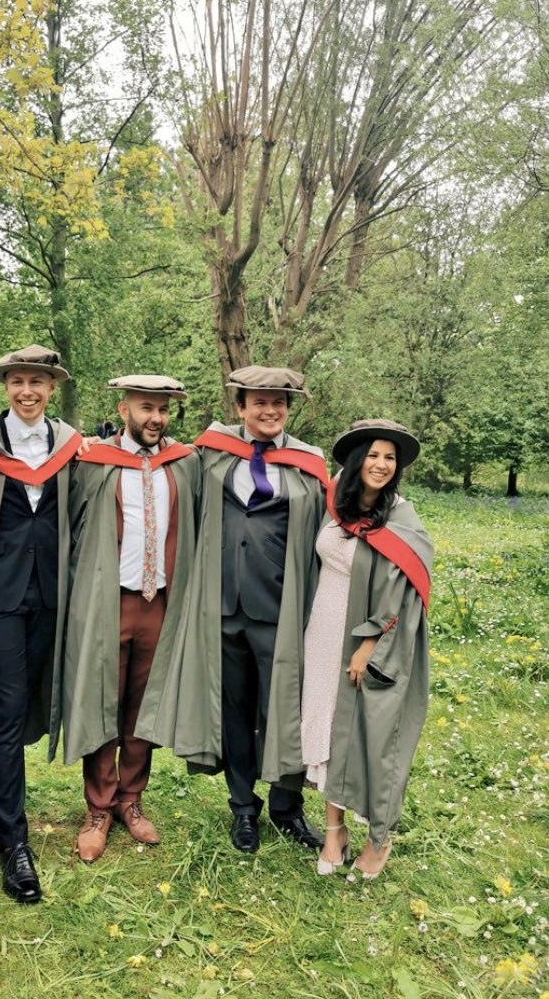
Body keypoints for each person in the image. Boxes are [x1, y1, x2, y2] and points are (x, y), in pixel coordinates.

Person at [156, 366, 328, 854]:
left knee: (284, 710)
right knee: (232, 709)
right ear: (240, 407)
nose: (269, 410)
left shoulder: (308, 465)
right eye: (259, 402)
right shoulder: (212, 454)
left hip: (281, 609)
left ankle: (287, 807)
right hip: (222, 607)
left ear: (287, 409)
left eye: (278, 403)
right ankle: (243, 808)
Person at [62, 375, 200, 863]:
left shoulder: (183, 465)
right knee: (104, 702)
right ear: (124, 410)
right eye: (146, 408)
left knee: (145, 707)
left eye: (162, 410)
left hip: (159, 603)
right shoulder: (94, 464)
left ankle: (131, 800)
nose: (155, 418)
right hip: (107, 601)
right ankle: (98, 808)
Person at [0, 344, 83, 904]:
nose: (27, 391)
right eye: (18, 381)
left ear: (51, 387)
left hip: (50, 594)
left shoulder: (71, 445)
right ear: (7, 386)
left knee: (18, 703)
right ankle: (15, 842)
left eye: (37, 381)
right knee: (7, 706)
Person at [301, 419, 433, 880]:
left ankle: (380, 839)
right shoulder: (334, 503)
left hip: (367, 639)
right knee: (327, 730)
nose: (381, 465)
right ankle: (333, 830)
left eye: (389, 458)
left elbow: (404, 589)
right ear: (357, 461)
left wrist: (368, 645)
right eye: (374, 455)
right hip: (322, 631)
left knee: (373, 736)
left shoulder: (401, 516)